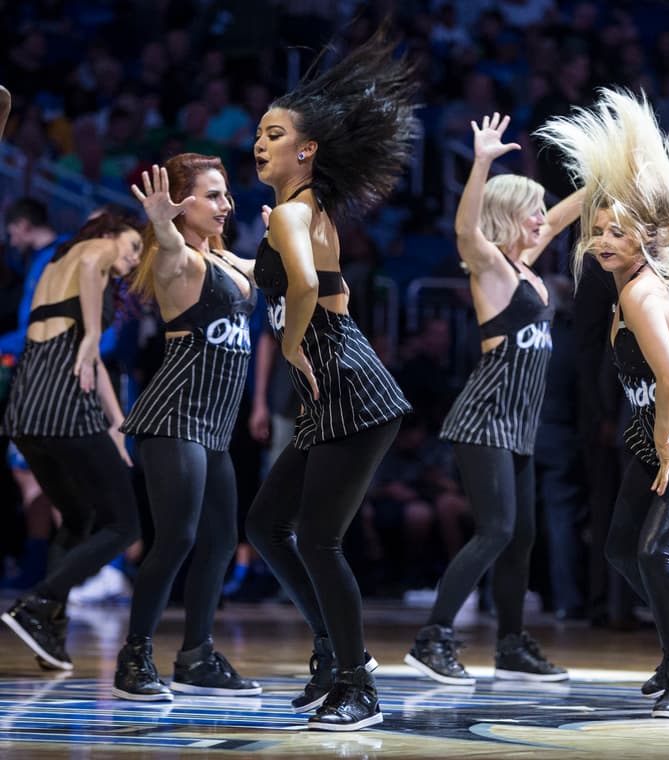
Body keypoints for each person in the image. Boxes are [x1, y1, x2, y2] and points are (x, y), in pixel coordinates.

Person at [536, 89, 669, 719]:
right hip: (659, 436)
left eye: (615, 232)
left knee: (656, 553)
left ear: (646, 240)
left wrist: (660, 445)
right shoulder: (630, 287)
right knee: (621, 551)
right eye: (597, 231)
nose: (600, 240)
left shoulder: (642, 298)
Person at [244, 24, 416, 731]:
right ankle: (327, 651)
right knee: (265, 524)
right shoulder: (302, 210)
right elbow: (302, 281)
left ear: (307, 149)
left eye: (275, 133)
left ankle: (357, 682)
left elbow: (308, 289)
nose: (261, 140)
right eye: (259, 130)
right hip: (338, 385)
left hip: (343, 379)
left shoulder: (293, 211)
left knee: (316, 539)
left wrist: (287, 347)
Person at [403, 112, 583, 685]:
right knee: (497, 531)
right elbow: (465, 231)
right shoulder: (492, 270)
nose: (540, 216)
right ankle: (433, 638)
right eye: (529, 208)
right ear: (506, 217)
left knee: (521, 535)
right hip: (485, 416)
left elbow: (557, 219)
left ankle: (510, 646)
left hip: (519, 421)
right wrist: (481, 162)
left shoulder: (525, 268)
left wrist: (602, 180)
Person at [111, 156, 260, 701]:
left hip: (215, 428)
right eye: (213, 195)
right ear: (182, 202)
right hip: (175, 417)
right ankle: (134, 658)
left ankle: (196, 656)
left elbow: (275, 267)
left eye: (226, 195)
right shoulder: (178, 261)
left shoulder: (226, 261)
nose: (226, 205)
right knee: (176, 538)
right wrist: (160, 221)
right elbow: (170, 249)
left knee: (221, 542)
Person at [0, 211, 143, 671]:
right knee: (125, 525)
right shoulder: (91, 250)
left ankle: (49, 632)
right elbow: (88, 350)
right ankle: (37, 603)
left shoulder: (54, 261)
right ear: (109, 234)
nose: (134, 257)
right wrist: (96, 334)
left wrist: (119, 425)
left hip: (26, 408)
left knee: (78, 517)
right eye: (133, 246)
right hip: (63, 403)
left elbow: (95, 366)